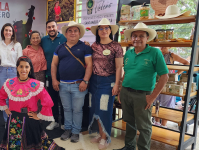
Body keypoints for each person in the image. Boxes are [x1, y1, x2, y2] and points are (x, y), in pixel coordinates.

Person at [114, 23, 169, 150]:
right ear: (130, 38)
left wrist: (152, 97)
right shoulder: (128, 53)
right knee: (129, 121)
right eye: (134, 36)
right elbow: (126, 73)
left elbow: (164, 77)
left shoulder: (155, 52)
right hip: (126, 92)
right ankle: (129, 146)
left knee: (144, 126)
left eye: (141, 36)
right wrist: (121, 91)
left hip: (143, 95)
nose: (137, 39)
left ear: (147, 38)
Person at [0, 56, 63, 150]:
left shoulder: (35, 84)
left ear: (30, 68)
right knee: (14, 143)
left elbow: (47, 101)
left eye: (26, 67)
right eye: (21, 66)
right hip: (14, 119)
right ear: (17, 68)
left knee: (33, 142)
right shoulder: (10, 83)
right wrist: (6, 108)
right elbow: (0, 96)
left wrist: (38, 116)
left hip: (30, 119)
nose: (24, 69)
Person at [51, 21, 92, 143]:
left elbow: (89, 65)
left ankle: (75, 131)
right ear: (66, 33)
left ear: (79, 33)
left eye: (75, 31)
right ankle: (67, 129)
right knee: (66, 109)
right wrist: (54, 79)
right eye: (70, 31)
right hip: (63, 85)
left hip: (79, 85)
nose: (72, 33)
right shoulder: (60, 47)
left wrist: (85, 81)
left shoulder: (85, 47)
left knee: (77, 110)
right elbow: (53, 64)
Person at [87, 18, 123, 149]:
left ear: (110, 30)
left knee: (105, 109)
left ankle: (105, 137)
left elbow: (119, 67)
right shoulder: (94, 46)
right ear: (97, 31)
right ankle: (100, 133)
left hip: (108, 82)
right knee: (95, 108)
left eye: (106, 28)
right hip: (94, 81)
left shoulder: (116, 47)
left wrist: (117, 84)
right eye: (100, 28)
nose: (103, 30)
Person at [152, 47, 189, 128]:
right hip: (156, 83)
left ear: (170, 46)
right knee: (155, 103)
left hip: (168, 85)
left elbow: (186, 63)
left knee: (166, 105)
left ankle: (163, 125)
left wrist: (176, 74)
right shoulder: (156, 54)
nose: (163, 46)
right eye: (162, 44)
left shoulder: (172, 56)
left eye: (166, 45)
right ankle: (156, 123)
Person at [41, 20, 66, 131]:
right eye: (49, 27)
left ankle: (65, 122)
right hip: (49, 75)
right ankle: (54, 121)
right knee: (52, 100)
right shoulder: (43, 40)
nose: (51, 29)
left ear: (57, 27)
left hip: (64, 75)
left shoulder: (64, 38)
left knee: (64, 100)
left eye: (53, 26)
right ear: (46, 29)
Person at [0, 23, 23, 123]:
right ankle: (6, 122)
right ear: (3, 32)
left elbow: (20, 61)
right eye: (6, 30)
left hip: (13, 72)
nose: (8, 32)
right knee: (4, 98)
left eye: (10, 30)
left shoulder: (17, 45)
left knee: (14, 98)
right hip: (2, 72)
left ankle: (15, 121)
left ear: (13, 33)